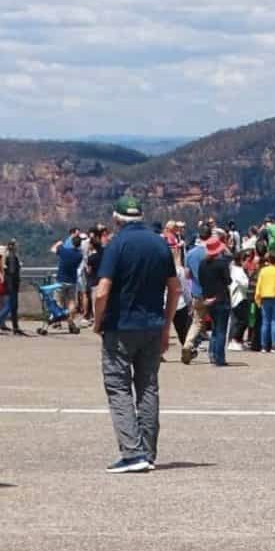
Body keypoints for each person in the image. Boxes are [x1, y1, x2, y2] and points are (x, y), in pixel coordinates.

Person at [93, 196, 180, 473]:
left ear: (117, 219)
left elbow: (102, 290)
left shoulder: (116, 245)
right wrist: (166, 326)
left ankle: (132, 453)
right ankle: (148, 451)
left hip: (121, 326)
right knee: (148, 387)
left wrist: (97, 321)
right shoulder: (160, 244)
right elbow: (175, 288)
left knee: (118, 387)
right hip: (153, 326)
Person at [198, 235, 233, 366]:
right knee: (221, 330)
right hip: (221, 298)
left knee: (214, 328)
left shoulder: (202, 264)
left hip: (208, 298)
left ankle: (212, 354)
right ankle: (220, 358)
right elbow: (228, 280)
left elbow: (201, 281)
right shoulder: (222, 264)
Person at [181, 224, 211, 363]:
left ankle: (188, 343)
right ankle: (214, 351)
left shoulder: (190, 253)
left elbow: (187, 275)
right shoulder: (212, 252)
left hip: (197, 292)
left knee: (197, 322)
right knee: (216, 322)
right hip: (212, 293)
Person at [50, 233, 84, 328]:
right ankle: (70, 320)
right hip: (72, 280)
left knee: (58, 301)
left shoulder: (64, 251)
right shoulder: (79, 255)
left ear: (72, 243)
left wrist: (59, 243)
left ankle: (58, 321)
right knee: (71, 301)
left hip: (61, 279)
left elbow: (53, 249)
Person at [0, 239, 24, 335]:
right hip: (12, 284)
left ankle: (15, 326)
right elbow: (12, 272)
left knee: (12, 306)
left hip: (9, 283)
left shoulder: (7, 256)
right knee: (11, 305)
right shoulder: (11, 257)